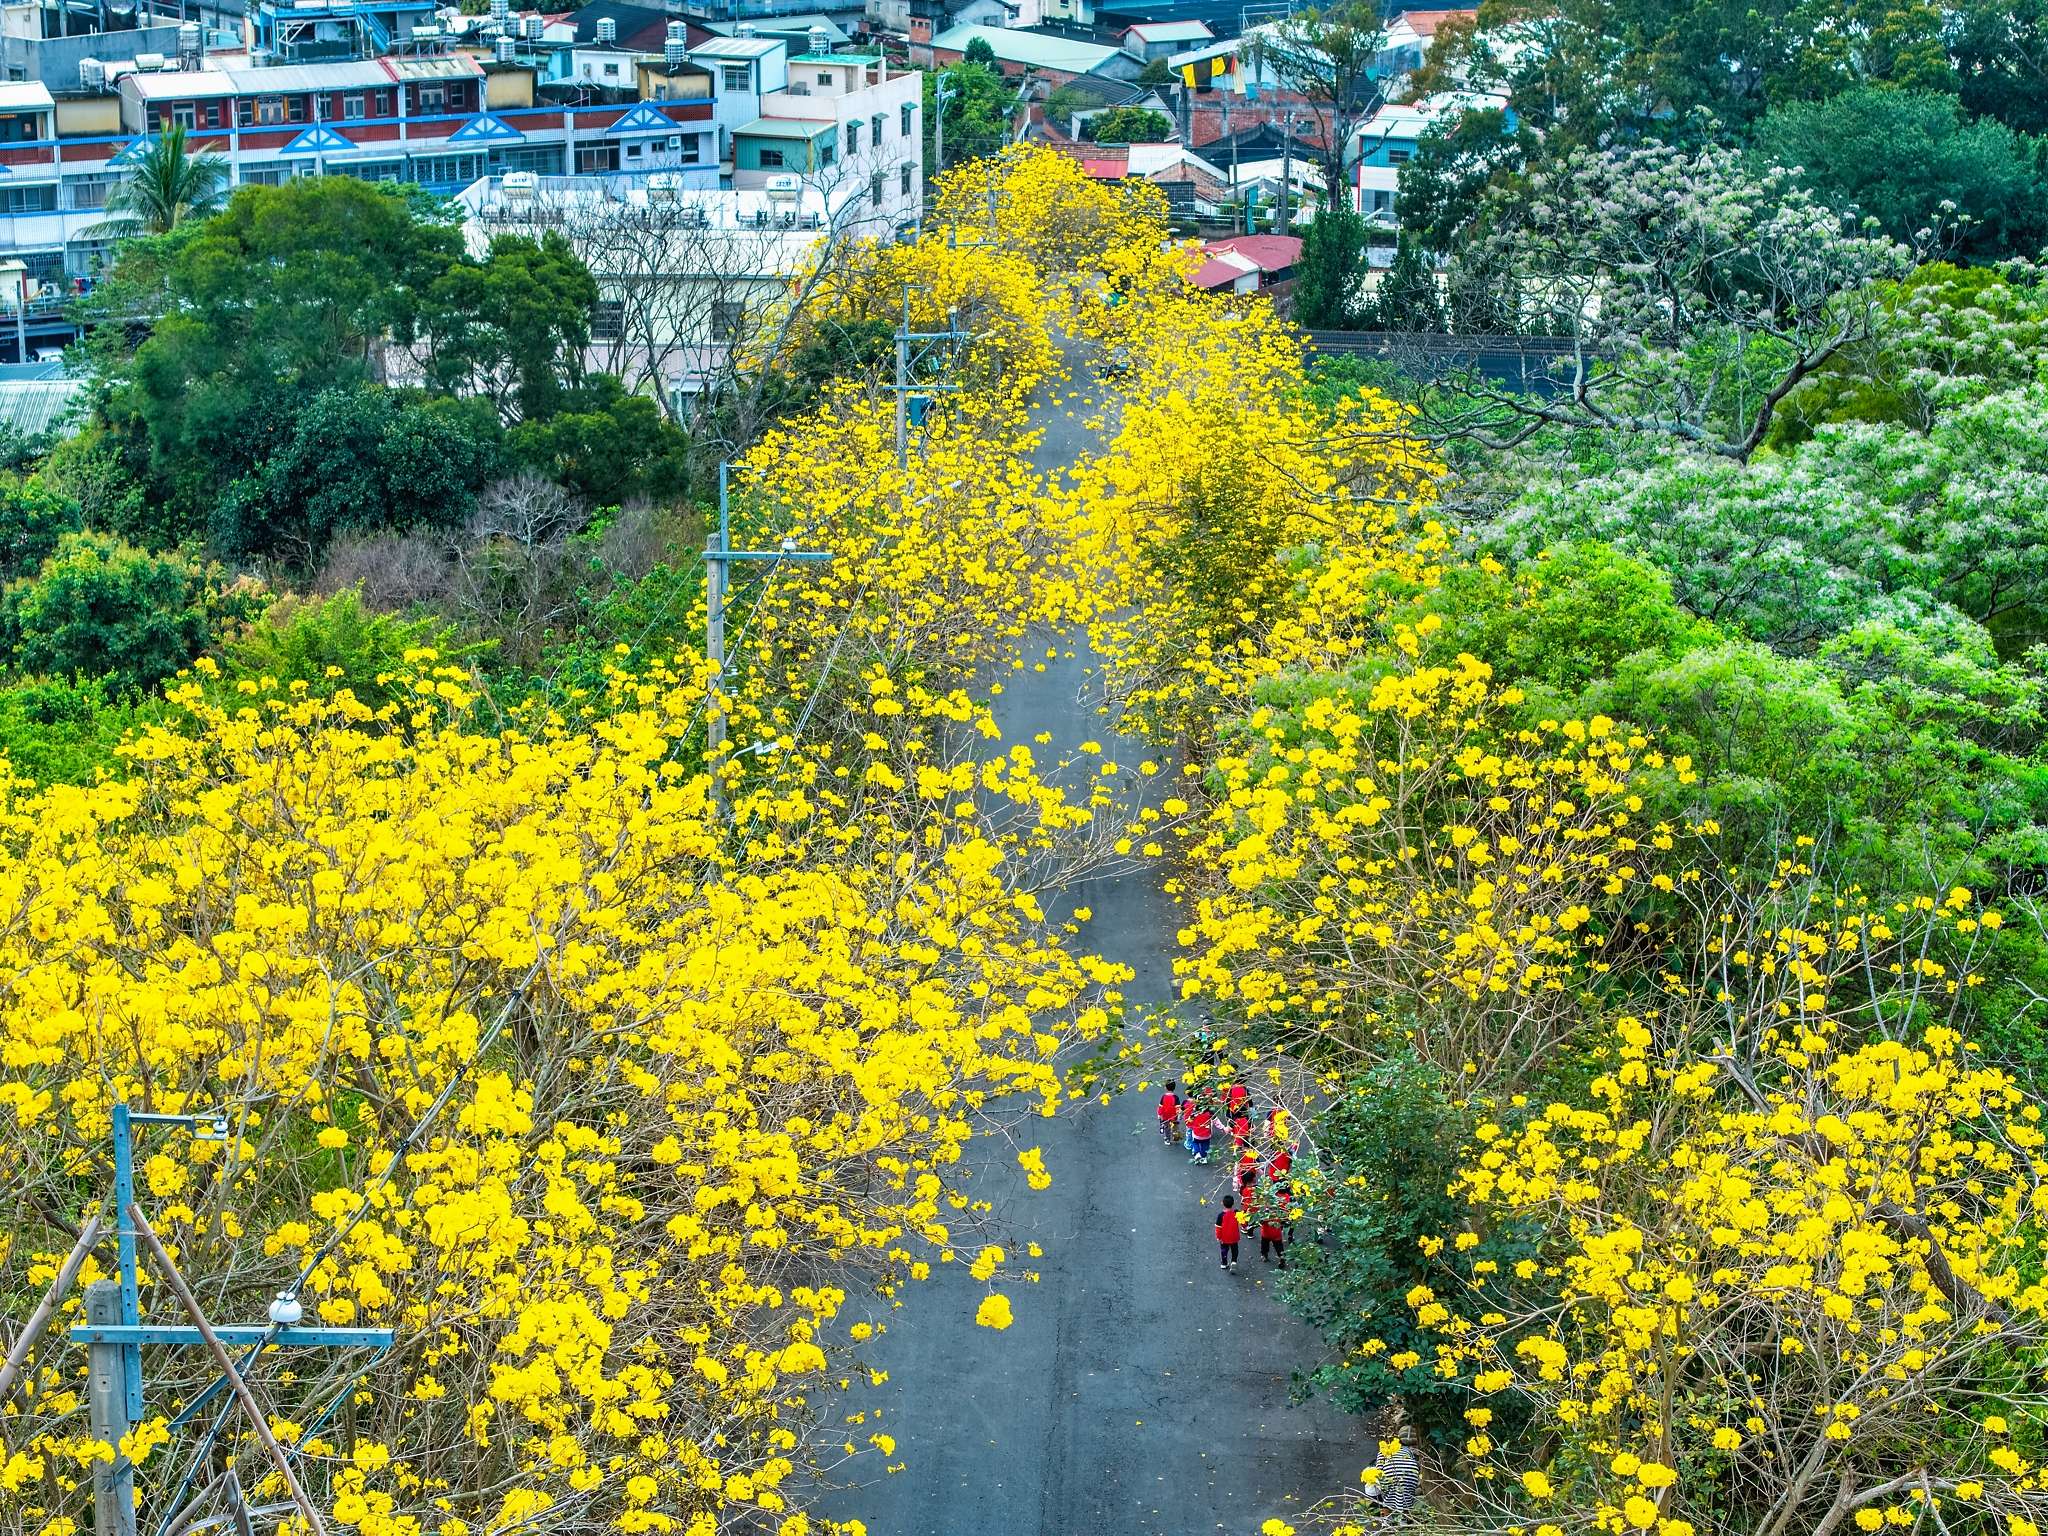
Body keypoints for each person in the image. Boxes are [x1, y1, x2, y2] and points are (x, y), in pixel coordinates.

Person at [1364, 1418, 1421, 1518]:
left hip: (1389, 1476)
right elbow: (1416, 1467)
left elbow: (1379, 1470)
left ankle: (1385, 1514)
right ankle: (1405, 1515)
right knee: (1405, 1497)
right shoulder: (1411, 1453)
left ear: (1398, 1437)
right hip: (1410, 1477)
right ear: (1415, 1443)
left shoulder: (1388, 1448)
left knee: (1383, 1493)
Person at [1259, 1188, 1289, 1268]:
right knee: (1278, 1248)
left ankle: (1265, 1255)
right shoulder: (1279, 1214)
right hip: (1275, 1234)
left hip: (1267, 1234)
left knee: (1265, 1246)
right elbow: (1284, 1221)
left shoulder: (1266, 1214)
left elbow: (1261, 1222)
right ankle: (1281, 1258)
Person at [1215, 1195, 1241, 1270]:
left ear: (1222, 1203)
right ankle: (1234, 1261)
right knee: (1235, 1250)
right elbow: (1243, 1219)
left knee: (1224, 1250)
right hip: (1234, 1236)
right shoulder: (1236, 1213)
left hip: (1224, 1237)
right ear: (1233, 1203)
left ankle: (1224, 1263)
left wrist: (1218, 1237)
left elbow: (1218, 1228)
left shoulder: (1221, 1215)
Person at [1187, 1100, 1214, 1165]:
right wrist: (1223, 1128)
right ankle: (1204, 1158)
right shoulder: (1210, 1114)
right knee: (1205, 1146)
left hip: (1197, 1134)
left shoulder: (1194, 1115)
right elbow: (1216, 1122)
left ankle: (1197, 1153)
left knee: (1195, 1143)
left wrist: (1191, 1126)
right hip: (1206, 1134)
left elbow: (1188, 1123)